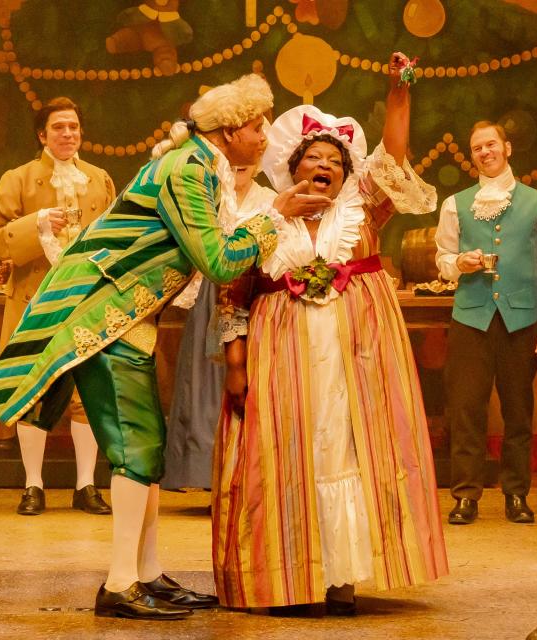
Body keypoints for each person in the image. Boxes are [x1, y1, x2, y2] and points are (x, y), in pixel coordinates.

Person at [0, 74, 313, 620]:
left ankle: (147, 573)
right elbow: (220, 260)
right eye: (256, 125)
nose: (264, 134)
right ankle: (120, 583)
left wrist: (272, 215)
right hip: (107, 318)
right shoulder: (186, 170)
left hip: (130, 319)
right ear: (228, 131)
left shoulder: (201, 167)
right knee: (135, 449)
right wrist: (278, 217)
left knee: (146, 450)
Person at [212, 53, 447, 616]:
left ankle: (341, 578)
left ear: (347, 174)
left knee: (344, 449)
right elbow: (233, 293)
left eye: (333, 161)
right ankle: (290, 577)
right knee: (286, 456)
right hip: (280, 356)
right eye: (311, 158)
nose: (322, 167)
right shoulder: (265, 219)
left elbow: (395, 155)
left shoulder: (362, 212)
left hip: (355, 355)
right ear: (292, 168)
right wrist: (237, 365)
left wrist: (399, 92)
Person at [0, 97, 115, 516]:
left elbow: (115, 236)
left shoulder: (99, 180)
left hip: (85, 303)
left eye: (73, 127)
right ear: (42, 135)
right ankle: (33, 485)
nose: (68, 134)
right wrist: (35, 225)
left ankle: (86, 485)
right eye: (59, 127)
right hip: (35, 303)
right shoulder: (18, 179)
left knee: (86, 395)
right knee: (33, 392)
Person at [434, 121, 537, 525]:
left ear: (507, 147)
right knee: (466, 410)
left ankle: (516, 494)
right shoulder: (456, 204)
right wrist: (459, 263)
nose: (484, 152)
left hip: (520, 318)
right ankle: (466, 495)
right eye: (477, 148)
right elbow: (442, 258)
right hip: (470, 318)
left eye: (490, 144)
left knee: (518, 411)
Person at [161, 162, 276, 491]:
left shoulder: (269, 200)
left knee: (249, 383)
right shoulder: (209, 197)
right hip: (211, 296)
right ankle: (206, 473)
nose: (241, 165)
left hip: (254, 301)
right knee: (203, 387)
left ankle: (248, 476)